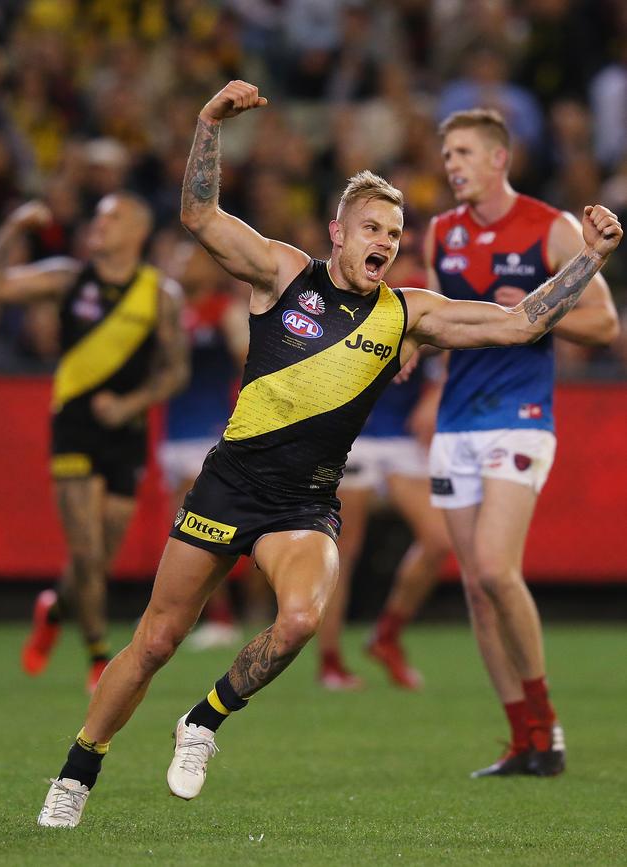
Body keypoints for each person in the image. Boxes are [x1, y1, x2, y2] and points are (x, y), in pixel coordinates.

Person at [35, 81, 621, 828]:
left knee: (303, 619)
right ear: (339, 235)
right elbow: (198, 216)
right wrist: (208, 123)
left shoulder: (409, 311)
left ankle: (204, 720)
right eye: (372, 227)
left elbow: (517, 324)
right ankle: (78, 770)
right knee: (154, 639)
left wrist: (591, 259)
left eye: (395, 232)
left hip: (304, 504)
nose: (385, 241)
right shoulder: (282, 274)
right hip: (228, 484)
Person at [425, 109, 620, 777]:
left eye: (463, 153)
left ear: (499, 159)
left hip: (520, 414)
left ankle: (548, 727)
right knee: (478, 591)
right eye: (447, 154)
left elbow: (605, 323)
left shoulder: (550, 228)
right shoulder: (440, 232)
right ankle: (523, 740)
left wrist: (542, 308)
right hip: (455, 421)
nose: (452, 164)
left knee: (494, 569)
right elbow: (431, 320)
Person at [0, 192, 188, 693]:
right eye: (98, 215)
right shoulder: (69, 277)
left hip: (127, 431)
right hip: (73, 424)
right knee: (87, 549)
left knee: (98, 556)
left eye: (113, 216)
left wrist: (131, 404)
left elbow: (175, 370)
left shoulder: (160, 293)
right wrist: (13, 227)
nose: (100, 224)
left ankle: (53, 608)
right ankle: (99, 656)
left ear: (137, 232)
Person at [317, 358, 450, 690]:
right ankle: (330, 660)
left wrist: (435, 393)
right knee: (342, 552)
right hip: (351, 434)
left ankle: (386, 635)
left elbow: (450, 342)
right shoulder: (340, 305)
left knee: (438, 541)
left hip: (402, 436)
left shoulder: (421, 305)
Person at [158, 242, 251, 649]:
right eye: (177, 258)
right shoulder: (166, 313)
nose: (182, 264)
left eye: (189, 257)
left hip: (209, 432)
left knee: (197, 527)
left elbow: (249, 362)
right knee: (180, 531)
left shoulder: (225, 310)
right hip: (173, 434)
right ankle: (211, 616)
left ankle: (224, 616)